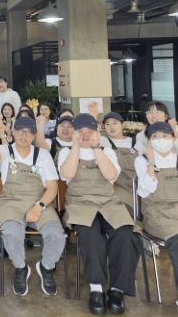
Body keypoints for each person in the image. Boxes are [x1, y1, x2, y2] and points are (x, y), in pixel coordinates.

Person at [58, 114, 139, 315]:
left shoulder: (107, 151)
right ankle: (96, 289)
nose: (85, 135)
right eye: (80, 131)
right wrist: (76, 147)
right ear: (74, 133)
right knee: (91, 236)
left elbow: (111, 175)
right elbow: (67, 174)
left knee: (126, 234)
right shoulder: (66, 152)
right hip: (80, 206)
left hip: (108, 204)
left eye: (90, 131)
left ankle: (117, 289)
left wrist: (96, 148)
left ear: (97, 132)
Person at [0, 116, 65, 297]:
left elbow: (52, 187)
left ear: (34, 135)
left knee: (56, 234)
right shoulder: (5, 151)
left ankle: (46, 267)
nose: (24, 135)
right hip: (10, 202)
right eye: (20, 131)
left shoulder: (43, 155)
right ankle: (21, 268)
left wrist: (39, 206)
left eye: (29, 132)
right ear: (13, 132)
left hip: (39, 201)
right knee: (12, 232)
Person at [135, 121, 178, 307]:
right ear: (149, 141)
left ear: (173, 138)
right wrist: (151, 162)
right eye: (155, 136)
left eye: (165, 136)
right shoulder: (142, 161)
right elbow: (146, 190)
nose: (160, 140)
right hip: (157, 214)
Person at [99, 112, 136, 212]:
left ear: (122, 125)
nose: (111, 126)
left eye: (115, 123)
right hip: (117, 186)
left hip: (136, 184)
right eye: (107, 124)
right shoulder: (104, 142)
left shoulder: (135, 141)